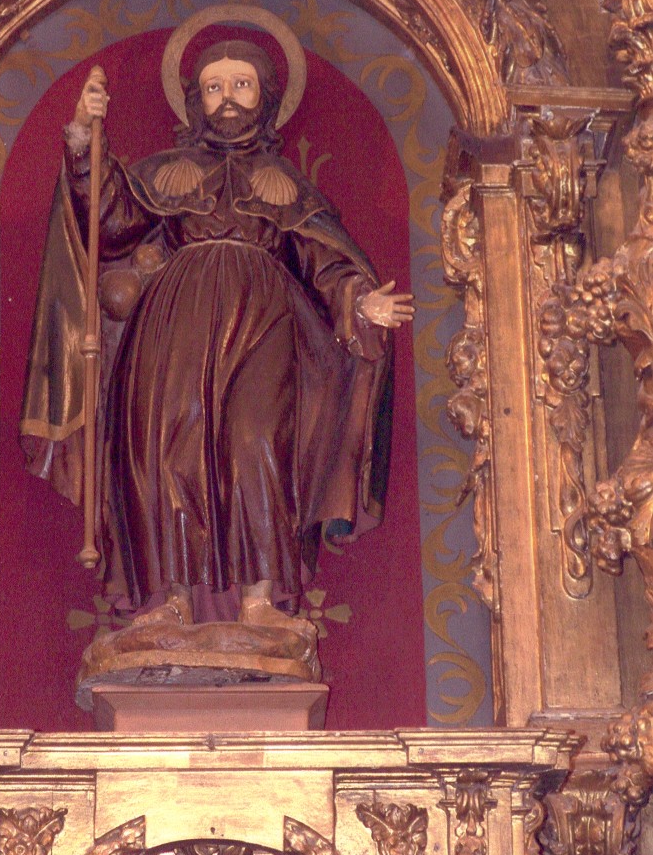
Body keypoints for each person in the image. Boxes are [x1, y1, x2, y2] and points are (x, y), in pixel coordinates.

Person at [21, 37, 413, 629]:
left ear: (266, 98)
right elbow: (109, 220)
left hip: (266, 321)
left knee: (259, 442)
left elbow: (323, 259)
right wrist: (83, 136)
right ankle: (170, 597)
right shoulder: (165, 173)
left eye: (241, 84)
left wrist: (359, 300)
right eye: (213, 87)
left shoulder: (285, 182)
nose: (227, 97)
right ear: (195, 101)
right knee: (168, 445)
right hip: (174, 321)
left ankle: (262, 598)